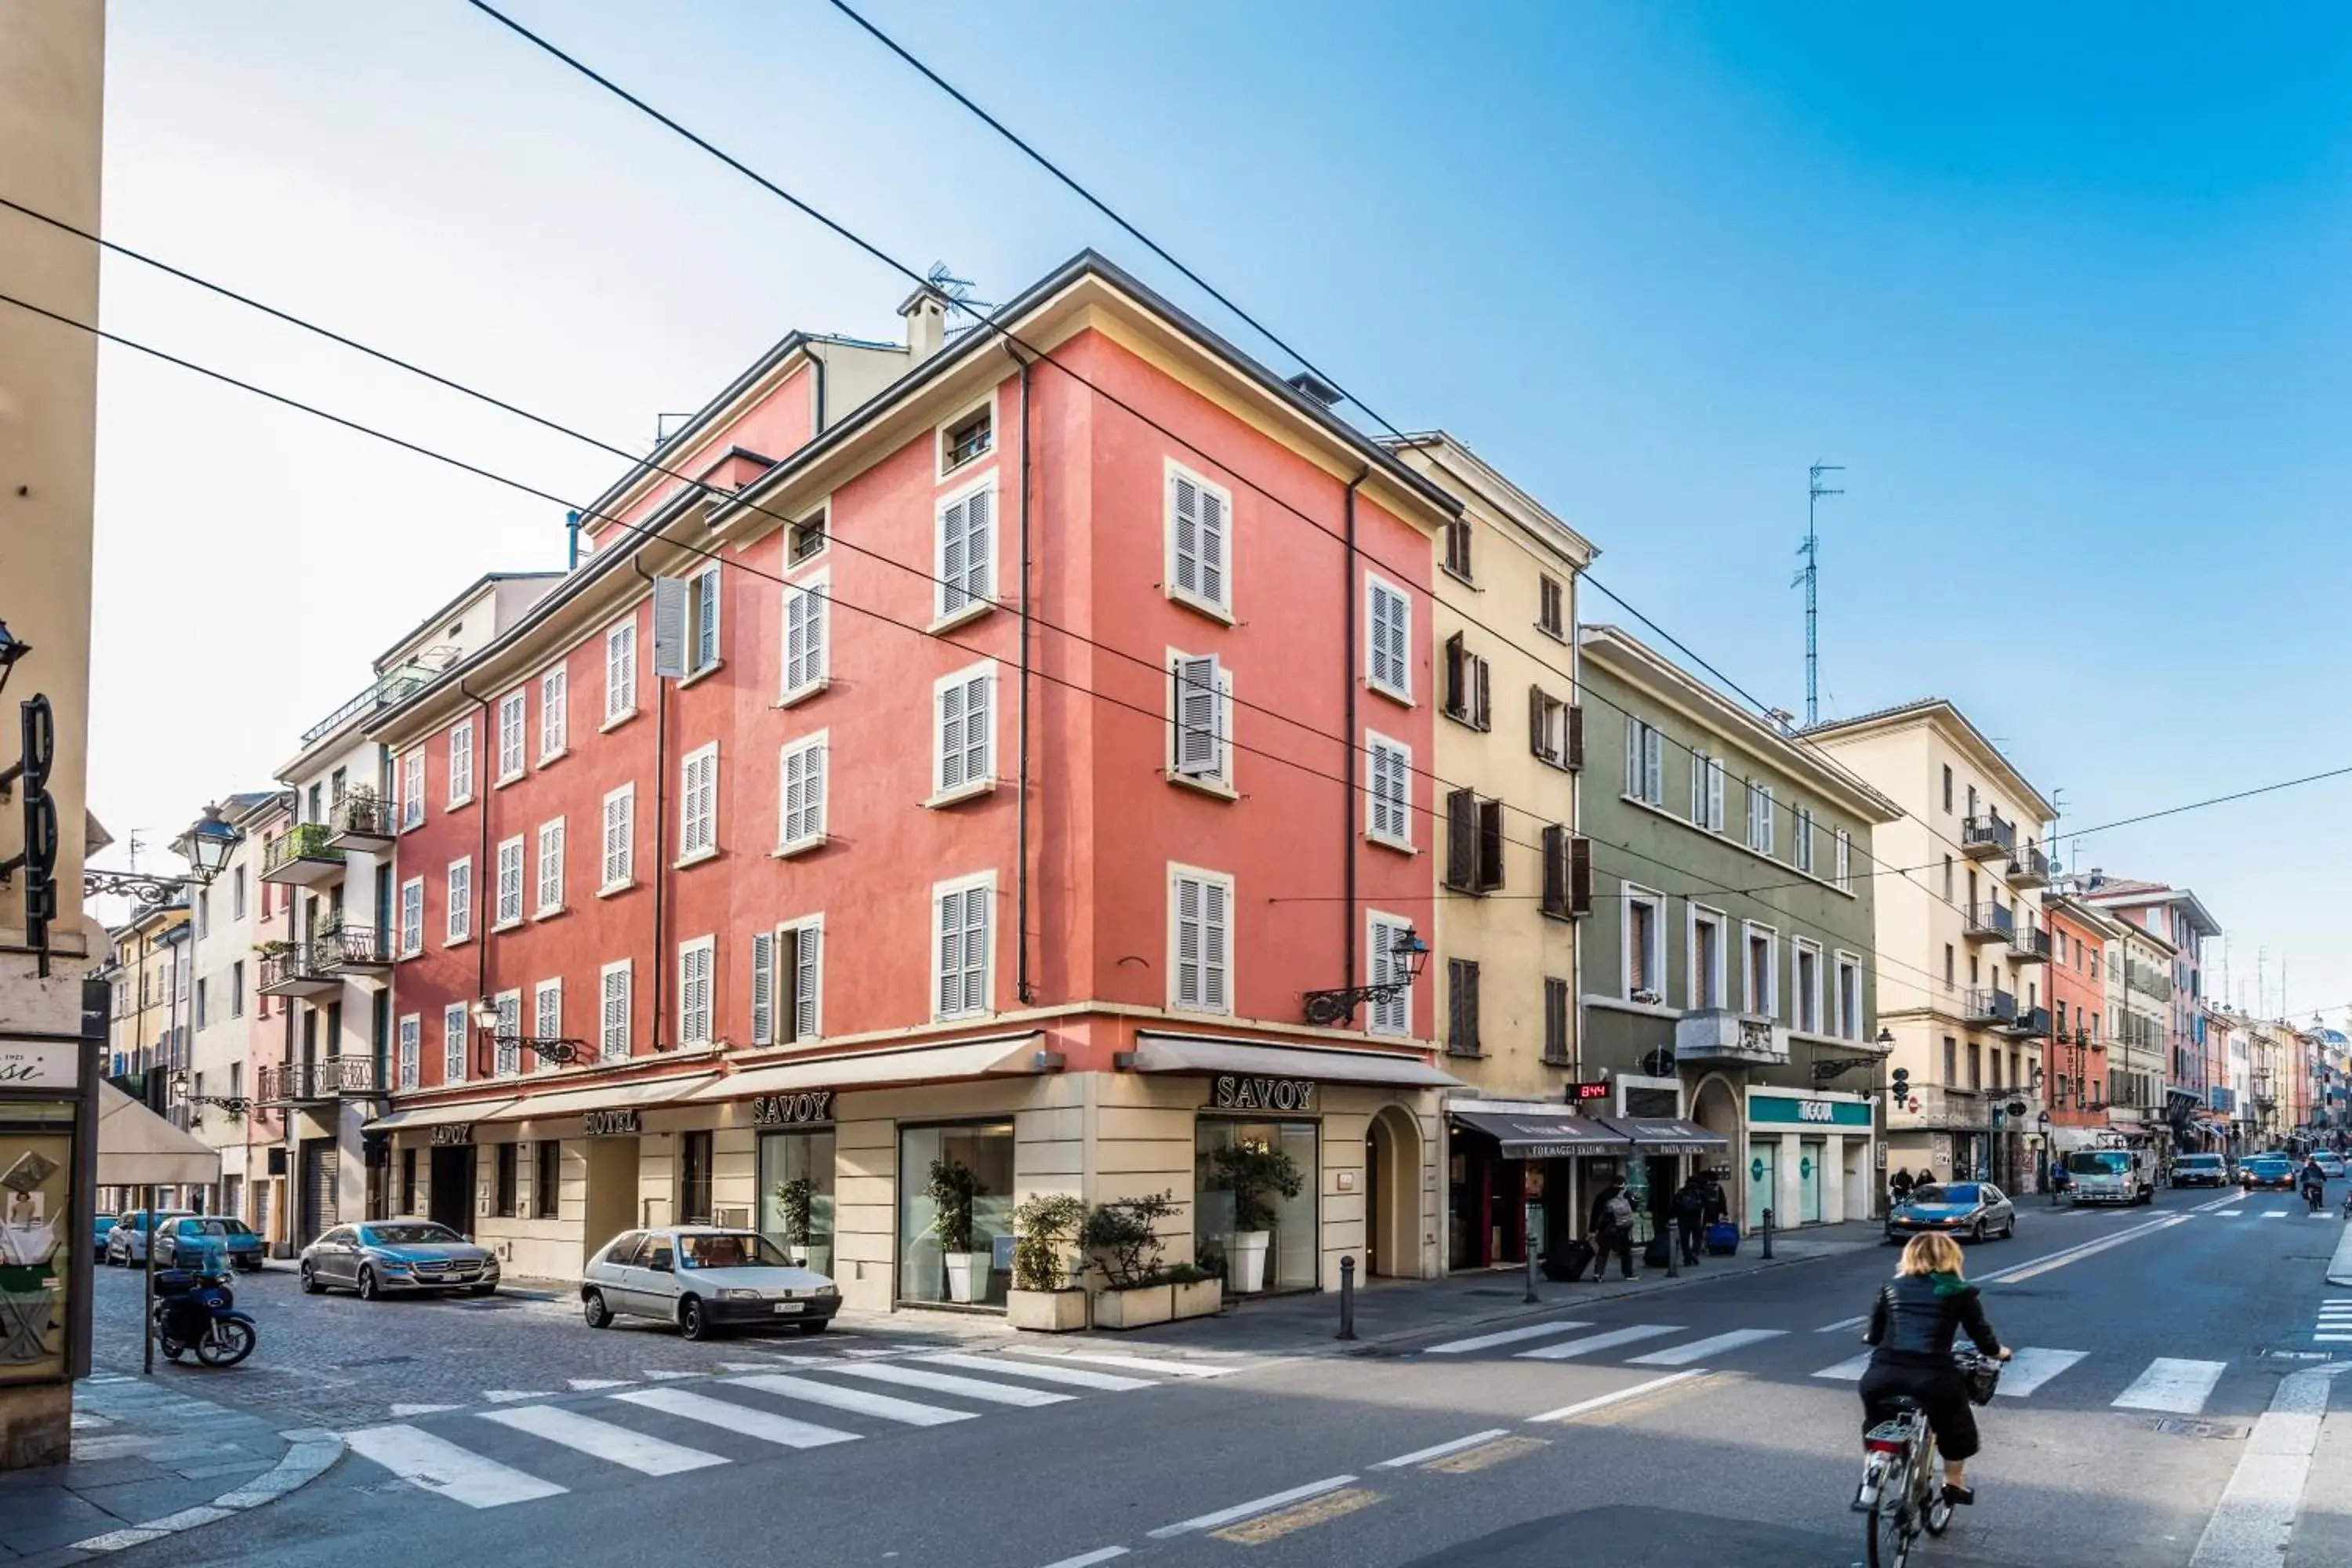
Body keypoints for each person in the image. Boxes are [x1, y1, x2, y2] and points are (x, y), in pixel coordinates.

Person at [1858, 1231, 2011, 1508]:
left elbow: (1874, 1335)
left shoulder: (1890, 1287)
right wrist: (1998, 1352)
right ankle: (1953, 1483)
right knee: (1957, 1429)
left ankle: (1876, 1463)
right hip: (1933, 1378)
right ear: (1951, 1257)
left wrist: (1872, 1338)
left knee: (1877, 1425)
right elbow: (1982, 1336)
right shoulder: (1959, 1291)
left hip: (1881, 1376)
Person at [1588, 1178, 1637, 1282]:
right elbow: (1634, 1207)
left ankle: (1598, 1273)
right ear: (1623, 1184)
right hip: (1622, 1228)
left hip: (1606, 1229)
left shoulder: (1604, 1195)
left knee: (1603, 1252)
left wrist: (1592, 1229)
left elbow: (1595, 1212)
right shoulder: (1625, 1194)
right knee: (1626, 1252)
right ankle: (1628, 1274)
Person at [1672, 1175, 1708, 1266]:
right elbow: (1706, 1204)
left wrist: (1673, 1216)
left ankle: (1687, 1257)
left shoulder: (1681, 1192)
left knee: (1684, 1240)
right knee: (1697, 1238)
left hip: (1683, 1219)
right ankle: (1694, 1254)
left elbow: (1674, 1205)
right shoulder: (1699, 1192)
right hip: (1696, 1218)